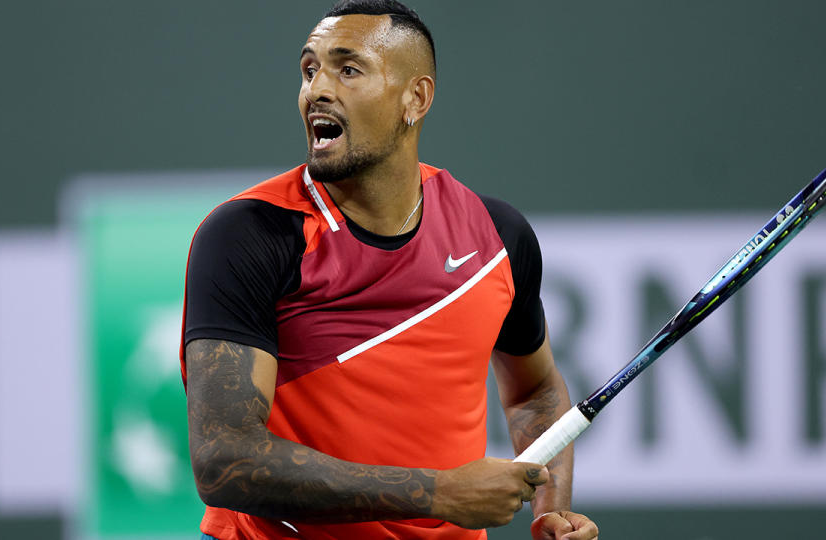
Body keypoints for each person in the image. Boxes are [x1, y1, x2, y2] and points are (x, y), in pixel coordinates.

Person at [180, 1, 599, 538]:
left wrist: (550, 514)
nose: (317, 90)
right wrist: (437, 493)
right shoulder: (251, 236)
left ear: (415, 99)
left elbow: (535, 394)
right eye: (310, 69)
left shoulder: (496, 236)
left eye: (347, 69)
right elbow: (225, 460)